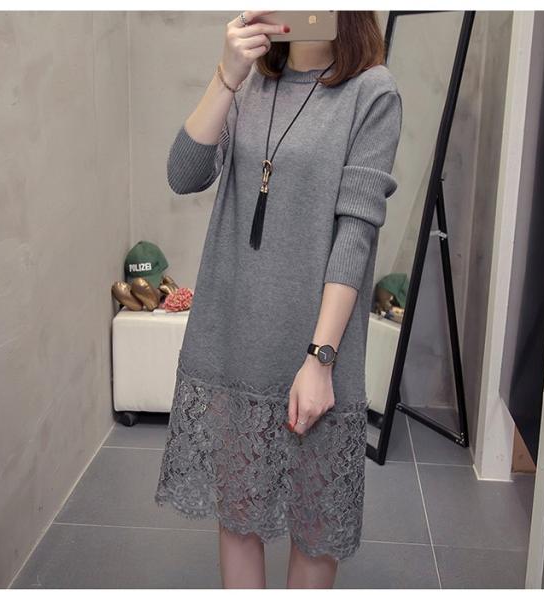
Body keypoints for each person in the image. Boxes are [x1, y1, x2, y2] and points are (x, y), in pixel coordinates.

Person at [154, 10, 402, 588]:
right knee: (238, 518)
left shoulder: (372, 92)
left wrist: (321, 359)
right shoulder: (247, 84)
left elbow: (356, 233)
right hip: (235, 340)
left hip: (312, 347)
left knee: (314, 529)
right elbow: (184, 174)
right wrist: (226, 75)